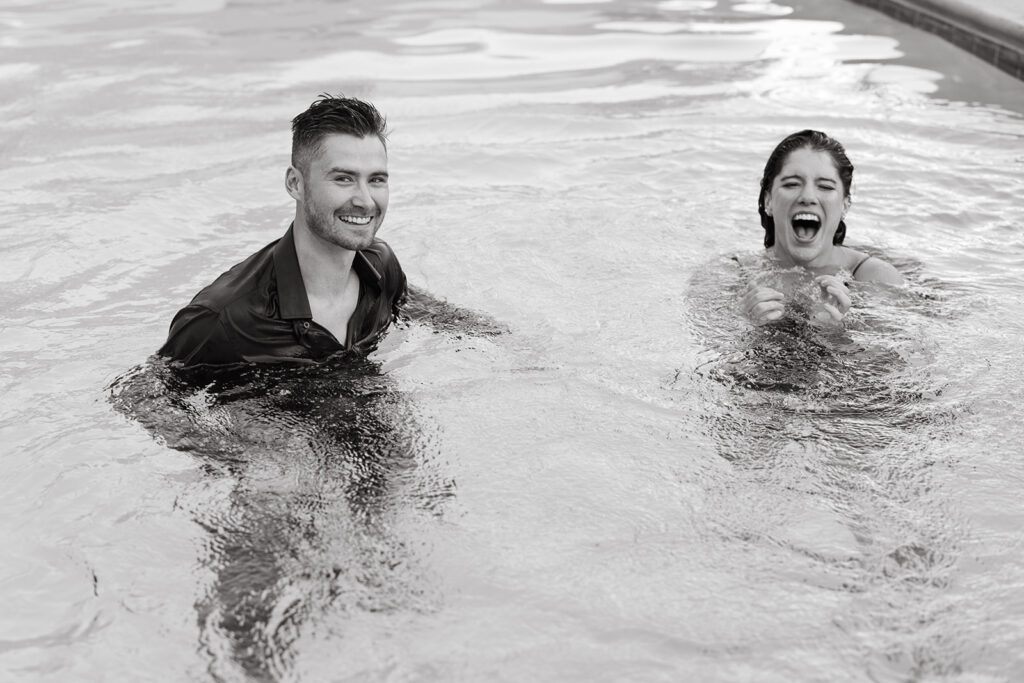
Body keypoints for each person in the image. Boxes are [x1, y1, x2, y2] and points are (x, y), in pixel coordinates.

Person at [159, 95, 408, 367]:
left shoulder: (382, 268)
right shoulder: (224, 318)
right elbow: (147, 399)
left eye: (376, 180)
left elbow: (422, 313)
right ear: (295, 184)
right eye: (343, 179)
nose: (365, 200)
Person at [740, 129, 903, 327]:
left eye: (825, 187)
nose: (808, 197)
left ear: (845, 205)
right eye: (792, 184)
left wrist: (834, 333)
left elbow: (902, 356)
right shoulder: (736, 273)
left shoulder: (874, 278)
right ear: (769, 201)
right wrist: (748, 326)